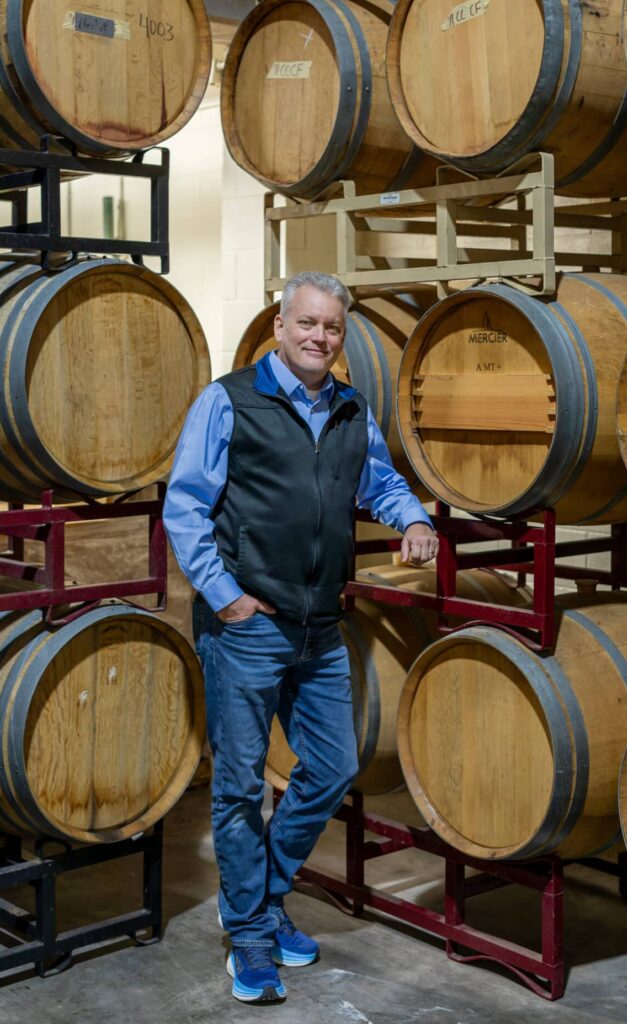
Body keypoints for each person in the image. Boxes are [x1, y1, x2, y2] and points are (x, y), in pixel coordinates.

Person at [163, 271, 438, 1004]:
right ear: (279, 328)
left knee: (331, 767)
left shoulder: (350, 407)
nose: (320, 337)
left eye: (332, 328)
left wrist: (412, 519)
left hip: (321, 626)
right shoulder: (228, 402)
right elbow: (185, 508)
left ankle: (259, 897)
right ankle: (251, 937)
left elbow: (377, 479)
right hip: (249, 626)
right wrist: (225, 600)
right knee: (239, 787)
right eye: (308, 323)